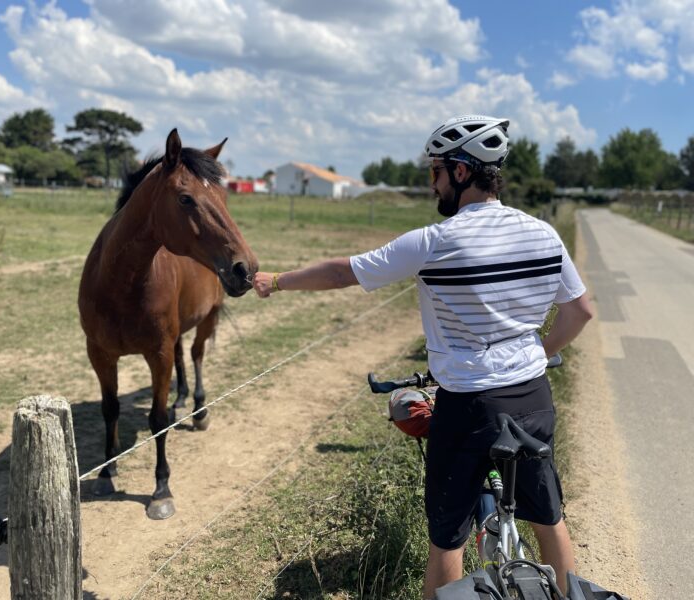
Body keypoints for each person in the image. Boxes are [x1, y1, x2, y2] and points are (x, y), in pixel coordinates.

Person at [252, 115, 593, 599]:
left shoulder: (436, 243)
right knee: (549, 519)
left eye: (434, 171)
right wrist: (539, 352)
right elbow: (580, 311)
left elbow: (342, 272)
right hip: (533, 398)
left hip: (469, 406)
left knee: (447, 538)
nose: (431, 182)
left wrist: (279, 279)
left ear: (459, 172)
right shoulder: (543, 235)